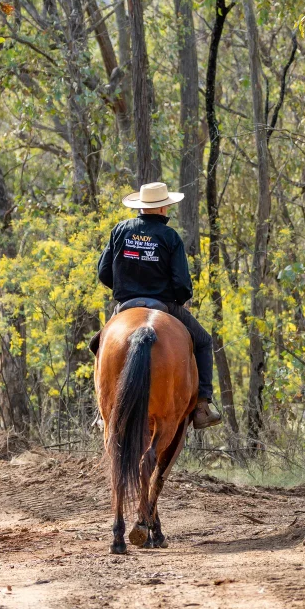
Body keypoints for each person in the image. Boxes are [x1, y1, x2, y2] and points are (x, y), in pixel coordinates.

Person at [97, 182, 223, 429]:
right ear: (164, 207)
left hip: (126, 305)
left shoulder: (120, 230)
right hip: (164, 305)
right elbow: (182, 283)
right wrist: (180, 300)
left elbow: (103, 272)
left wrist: (124, 289)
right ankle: (202, 406)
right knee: (204, 341)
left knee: (99, 343)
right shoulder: (170, 236)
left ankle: (101, 410)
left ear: (141, 206)